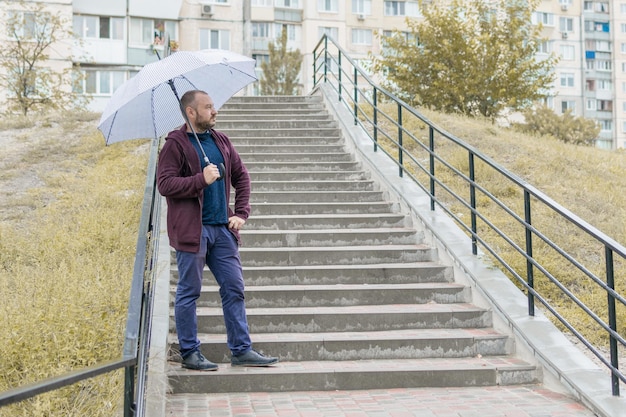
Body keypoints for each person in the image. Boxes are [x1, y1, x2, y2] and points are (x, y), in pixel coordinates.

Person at [157, 89, 278, 370]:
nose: (215, 111)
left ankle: (241, 349)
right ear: (191, 112)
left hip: (222, 230)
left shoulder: (220, 140)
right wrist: (201, 179)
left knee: (234, 288)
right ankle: (189, 352)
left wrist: (241, 213)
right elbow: (165, 185)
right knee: (190, 292)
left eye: (214, 106)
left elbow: (242, 177)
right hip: (192, 232)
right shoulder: (174, 144)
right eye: (208, 107)